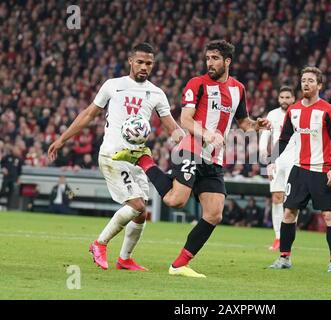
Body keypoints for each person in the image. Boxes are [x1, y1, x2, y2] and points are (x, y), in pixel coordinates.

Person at [113, 39, 271, 277]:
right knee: (175, 200)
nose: (210, 62)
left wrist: (257, 125)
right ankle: (144, 159)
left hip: (213, 159)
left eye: (215, 58)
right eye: (208, 58)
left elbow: (244, 123)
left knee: (214, 214)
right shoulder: (196, 84)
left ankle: (179, 265)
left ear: (227, 61)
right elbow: (186, 119)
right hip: (192, 149)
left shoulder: (238, 89)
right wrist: (206, 133)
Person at [48, 43, 182, 271]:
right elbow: (89, 114)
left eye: (148, 63)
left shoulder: (157, 93)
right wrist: (62, 139)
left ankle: (125, 259)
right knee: (136, 205)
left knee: (141, 214)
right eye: (139, 62)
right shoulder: (113, 86)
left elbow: (171, 125)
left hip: (138, 158)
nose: (144, 67)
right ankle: (99, 243)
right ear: (130, 61)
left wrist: (183, 137)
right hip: (113, 155)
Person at [267, 66, 331, 273]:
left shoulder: (328, 110)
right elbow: (283, 139)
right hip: (299, 170)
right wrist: (271, 160)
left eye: (311, 80)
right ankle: (284, 258)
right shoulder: (293, 110)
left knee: (329, 216)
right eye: (303, 80)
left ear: (319, 85)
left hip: (322, 171)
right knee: (289, 213)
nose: (306, 84)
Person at [259, 86, 296, 250]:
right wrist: (262, 151)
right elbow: (266, 134)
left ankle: (288, 237)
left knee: (292, 200)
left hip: (295, 159)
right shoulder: (273, 115)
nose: (284, 100)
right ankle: (278, 237)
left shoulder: (298, 113)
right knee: (276, 198)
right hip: (277, 159)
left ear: (293, 98)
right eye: (282, 97)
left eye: (288, 97)